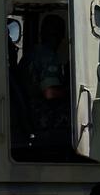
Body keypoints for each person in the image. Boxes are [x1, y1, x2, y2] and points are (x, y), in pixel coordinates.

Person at [16, 14, 70, 146]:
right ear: (60, 36)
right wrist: (70, 91)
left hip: (30, 113)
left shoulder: (31, 54)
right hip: (41, 116)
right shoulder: (47, 56)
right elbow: (50, 93)